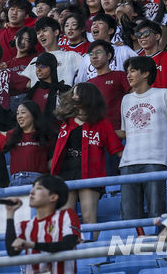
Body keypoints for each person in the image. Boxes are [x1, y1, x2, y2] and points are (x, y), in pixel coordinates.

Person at [120, 56, 167, 219]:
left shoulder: (164, 94)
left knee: (157, 213)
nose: (128, 75)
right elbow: (125, 131)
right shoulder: (126, 99)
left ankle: (157, 244)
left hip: (155, 161)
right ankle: (133, 245)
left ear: (146, 73)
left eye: (133, 70)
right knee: (129, 217)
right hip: (127, 163)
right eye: (127, 71)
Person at [52, 83, 123, 226]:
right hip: (66, 173)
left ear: (87, 97)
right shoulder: (66, 122)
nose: (73, 97)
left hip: (90, 174)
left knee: (89, 218)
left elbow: (118, 151)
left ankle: (90, 248)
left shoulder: (102, 124)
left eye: (76, 93)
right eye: (73, 93)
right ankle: (71, 247)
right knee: (66, 220)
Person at [3, 175, 81, 273]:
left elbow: (68, 244)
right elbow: (12, 252)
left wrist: (32, 244)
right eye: (33, 188)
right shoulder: (25, 226)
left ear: (53, 197)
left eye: (39, 188)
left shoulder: (67, 215)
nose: (31, 192)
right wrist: (10, 214)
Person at [3, 100, 54, 187]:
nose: (19, 116)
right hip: (15, 182)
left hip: (38, 182)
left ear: (34, 115)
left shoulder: (45, 135)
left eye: (23, 112)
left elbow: (54, 160)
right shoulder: (12, 135)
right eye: (17, 113)